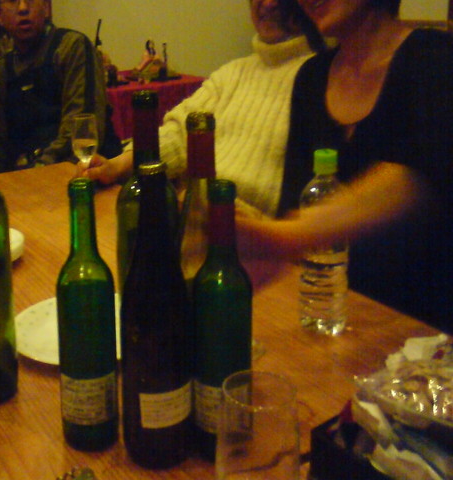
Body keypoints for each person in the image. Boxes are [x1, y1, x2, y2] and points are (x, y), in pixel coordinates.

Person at [236, 0, 453, 332]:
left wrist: (288, 235)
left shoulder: (435, 58)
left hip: (424, 331)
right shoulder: (310, 78)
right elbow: (294, 204)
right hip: (331, 316)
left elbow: (419, 177)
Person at [86, 0, 325, 218]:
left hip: (258, 236)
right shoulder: (233, 73)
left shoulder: (325, 77)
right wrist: (117, 165)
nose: (268, 4)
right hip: (198, 222)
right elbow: (178, 135)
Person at [0, 0, 122, 173]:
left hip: (81, 174)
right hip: (24, 176)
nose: (23, 8)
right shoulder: (3, 69)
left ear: (46, 7)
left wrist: (38, 170)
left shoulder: (71, 47)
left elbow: (82, 130)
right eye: (13, 1)